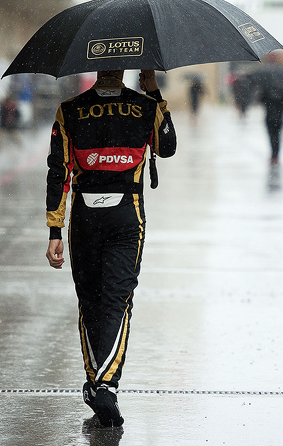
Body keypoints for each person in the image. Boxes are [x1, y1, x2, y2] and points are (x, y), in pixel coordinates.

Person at [45, 69, 176, 428]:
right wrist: (153, 90)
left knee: (90, 300)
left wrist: (54, 229)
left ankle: (97, 382)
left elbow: (58, 171)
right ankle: (106, 386)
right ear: (124, 68)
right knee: (118, 299)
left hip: (84, 217)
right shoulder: (145, 106)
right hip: (126, 214)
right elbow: (167, 147)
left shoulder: (69, 109)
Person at [258, 77, 283, 165]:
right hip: (279, 118)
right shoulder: (281, 90)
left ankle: (273, 155)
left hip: (269, 117)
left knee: (271, 136)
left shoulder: (266, 89)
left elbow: (261, 101)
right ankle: (276, 155)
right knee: (278, 137)